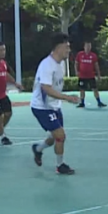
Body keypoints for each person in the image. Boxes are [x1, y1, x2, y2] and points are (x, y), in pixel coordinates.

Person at [30, 34, 81, 175]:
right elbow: (46, 88)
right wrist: (67, 98)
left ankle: (38, 149)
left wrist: (64, 98)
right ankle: (60, 166)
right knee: (60, 135)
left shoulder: (61, 64)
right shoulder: (46, 65)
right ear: (58, 47)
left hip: (54, 106)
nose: (69, 50)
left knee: (54, 138)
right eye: (67, 47)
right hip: (42, 107)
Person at [75, 40, 106, 108]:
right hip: (82, 76)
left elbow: (96, 66)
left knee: (95, 89)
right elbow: (76, 63)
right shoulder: (80, 54)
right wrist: (76, 71)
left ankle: (99, 102)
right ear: (84, 47)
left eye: (89, 46)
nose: (88, 48)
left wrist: (98, 75)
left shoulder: (93, 55)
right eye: (87, 46)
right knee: (82, 90)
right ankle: (82, 103)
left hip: (91, 76)